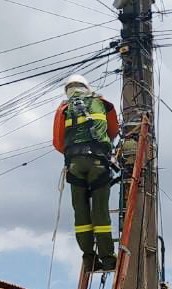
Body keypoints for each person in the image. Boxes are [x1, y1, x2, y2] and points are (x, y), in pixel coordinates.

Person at [52, 74, 120, 272]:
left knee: (81, 214)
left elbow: (58, 142)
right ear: (86, 87)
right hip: (98, 163)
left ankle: (89, 259)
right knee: (100, 212)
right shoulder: (103, 103)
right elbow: (113, 130)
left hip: (74, 166)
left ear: (68, 90)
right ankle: (107, 258)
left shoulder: (63, 109)